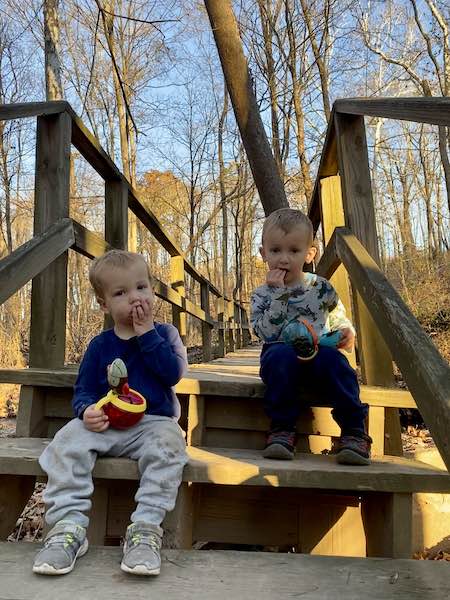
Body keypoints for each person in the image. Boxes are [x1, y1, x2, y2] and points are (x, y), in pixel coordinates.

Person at [33, 249, 189, 576]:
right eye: (121, 293)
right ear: (104, 305)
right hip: (107, 424)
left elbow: (171, 373)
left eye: (141, 287)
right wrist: (86, 410)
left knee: (171, 445)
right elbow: (85, 390)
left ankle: (145, 530)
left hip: (153, 424)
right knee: (65, 441)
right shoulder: (100, 346)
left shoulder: (165, 335)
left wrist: (147, 333)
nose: (135, 298)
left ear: (152, 290)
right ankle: (68, 527)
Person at [250, 208, 372, 464]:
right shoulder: (262, 294)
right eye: (275, 250)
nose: (284, 259)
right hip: (280, 353)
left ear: (309, 254)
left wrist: (346, 331)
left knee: (338, 364)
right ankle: (282, 429)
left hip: (319, 353)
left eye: (293, 251)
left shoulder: (321, 287)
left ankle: (353, 431)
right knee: (278, 358)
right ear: (263, 254)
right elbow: (263, 332)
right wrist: (278, 295)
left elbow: (337, 316)